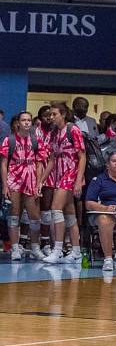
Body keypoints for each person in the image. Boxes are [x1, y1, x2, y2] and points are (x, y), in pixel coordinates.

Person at [0, 111, 50, 261]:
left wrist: (39, 182)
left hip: (31, 181)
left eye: (29, 120)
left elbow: (40, 163)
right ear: (18, 123)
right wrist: (4, 185)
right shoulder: (9, 140)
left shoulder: (36, 141)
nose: (27, 122)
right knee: (14, 216)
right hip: (14, 180)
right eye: (24, 120)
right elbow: (3, 164)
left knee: (34, 217)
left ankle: (34, 247)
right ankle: (15, 248)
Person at [42, 102, 86, 264]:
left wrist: (78, 180)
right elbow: (52, 160)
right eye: (50, 115)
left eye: (54, 114)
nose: (51, 117)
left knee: (55, 208)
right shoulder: (53, 133)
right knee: (69, 214)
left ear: (63, 114)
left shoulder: (72, 130)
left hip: (71, 173)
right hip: (59, 175)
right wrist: (41, 180)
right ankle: (76, 251)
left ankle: (58, 249)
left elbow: (82, 156)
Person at [35, 105, 55, 255]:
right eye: (45, 115)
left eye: (51, 115)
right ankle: (29, 243)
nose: (49, 117)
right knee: (33, 209)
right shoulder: (34, 132)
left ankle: (46, 242)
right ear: (40, 117)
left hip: (53, 172)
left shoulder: (57, 132)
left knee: (47, 209)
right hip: (34, 171)